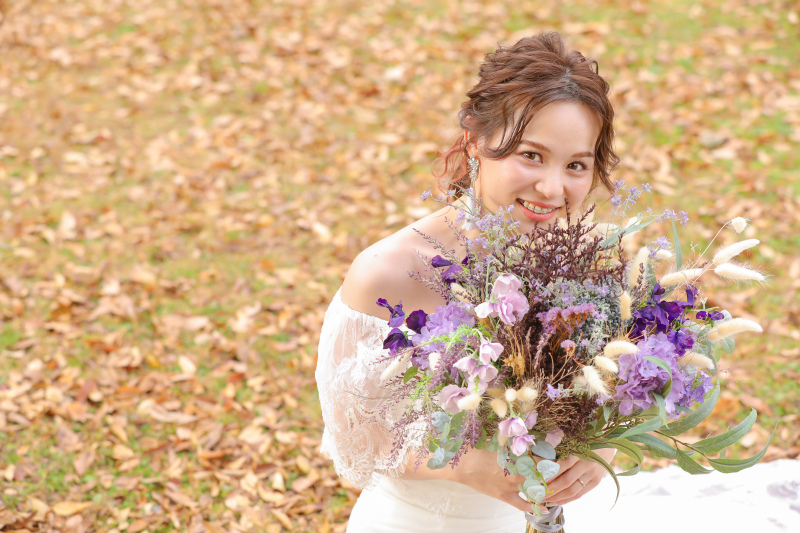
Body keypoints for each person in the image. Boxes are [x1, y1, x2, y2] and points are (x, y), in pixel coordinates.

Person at [316, 32, 619, 532]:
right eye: (531, 155)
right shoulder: (386, 272)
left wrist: (602, 448)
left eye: (575, 165)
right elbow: (350, 440)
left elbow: (617, 389)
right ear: (475, 142)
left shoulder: (584, 269)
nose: (552, 188)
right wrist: (460, 465)